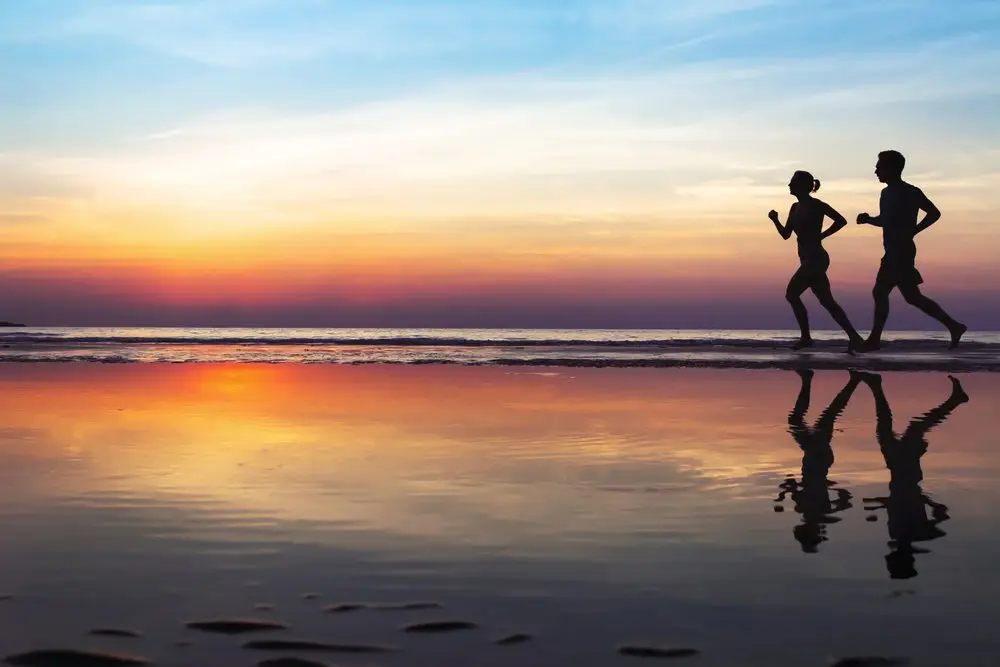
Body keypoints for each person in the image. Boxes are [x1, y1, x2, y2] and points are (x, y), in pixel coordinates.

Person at [856, 372, 968, 579]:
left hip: (900, 475)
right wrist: (931, 508)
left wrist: (879, 502)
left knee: (890, 429)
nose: (887, 558)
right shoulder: (917, 534)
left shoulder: (900, 535)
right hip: (905, 474)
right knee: (908, 428)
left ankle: (877, 387)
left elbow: (898, 504)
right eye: (892, 562)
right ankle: (954, 400)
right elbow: (927, 509)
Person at [856, 150, 967, 350]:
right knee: (912, 297)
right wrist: (869, 220)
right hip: (893, 250)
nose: (876, 170)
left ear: (892, 168)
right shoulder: (886, 193)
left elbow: (934, 213)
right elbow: (886, 220)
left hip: (901, 251)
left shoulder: (910, 192)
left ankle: (874, 339)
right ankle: (954, 326)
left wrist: (914, 230)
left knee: (880, 291)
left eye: (879, 166)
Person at [769, 171, 865, 352]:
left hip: (816, 259)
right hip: (806, 258)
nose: (788, 185)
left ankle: (806, 338)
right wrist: (775, 220)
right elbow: (786, 235)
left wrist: (822, 235)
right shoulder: (794, 207)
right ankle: (854, 337)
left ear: (802, 186)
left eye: (792, 182)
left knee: (792, 294)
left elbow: (841, 220)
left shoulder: (817, 205)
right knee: (827, 301)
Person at [774, 369, 857, 553]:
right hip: (817, 459)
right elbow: (847, 499)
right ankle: (814, 380)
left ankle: (848, 381)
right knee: (818, 417)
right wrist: (828, 485)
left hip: (815, 459)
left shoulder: (803, 509)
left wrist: (784, 492)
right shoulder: (822, 514)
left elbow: (791, 482)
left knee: (823, 416)